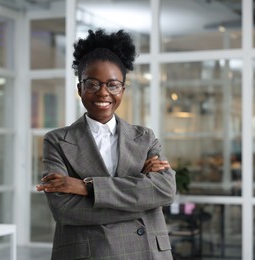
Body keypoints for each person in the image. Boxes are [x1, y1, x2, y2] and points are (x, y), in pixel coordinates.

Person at [37, 28, 176, 260]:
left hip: (147, 253)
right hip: (89, 252)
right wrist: (140, 201)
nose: (103, 93)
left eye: (113, 85)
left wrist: (87, 187)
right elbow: (64, 210)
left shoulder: (145, 138)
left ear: (122, 89)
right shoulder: (57, 141)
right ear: (80, 88)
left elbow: (164, 191)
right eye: (92, 84)